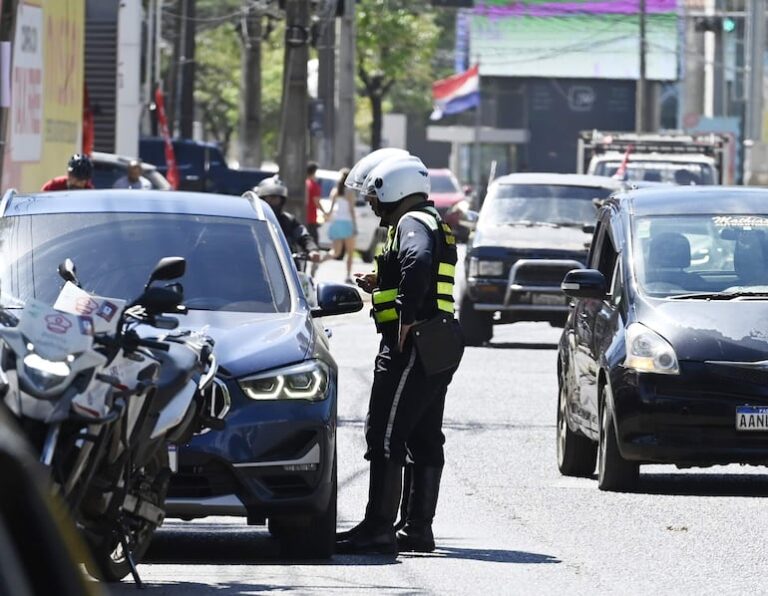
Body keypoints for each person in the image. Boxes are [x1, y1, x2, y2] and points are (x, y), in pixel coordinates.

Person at [336, 153, 464, 556]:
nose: (371, 203)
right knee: (423, 437)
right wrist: (382, 279)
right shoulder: (427, 221)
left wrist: (406, 319)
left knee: (386, 435)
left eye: (374, 195)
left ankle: (378, 528)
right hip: (438, 341)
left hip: (414, 343)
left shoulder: (412, 223)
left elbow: (420, 263)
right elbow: (417, 264)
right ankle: (415, 529)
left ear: (394, 189)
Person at [255, 175, 321, 266]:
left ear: (282, 200)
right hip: (257, 266)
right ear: (261, 199)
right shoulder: (253, 220)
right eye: (270, 198)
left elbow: (303, 235)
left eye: (276, 199)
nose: (273, 202)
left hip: (286, 268)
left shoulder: (288, 220)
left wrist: (312, 250)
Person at [325, 168, 358, 283]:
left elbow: (330, 210)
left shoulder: (335, 191)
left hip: (337, 222)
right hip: (347, 223)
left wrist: (327, 217)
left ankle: (318, 262)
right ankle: (348, 276)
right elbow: (351, 210)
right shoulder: (350, 192)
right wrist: (355, 225)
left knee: (336, 252)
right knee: (350, 252)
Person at [305, 162, 326, 275]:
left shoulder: (304, 184)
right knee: (314, 245)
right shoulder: (314, 185)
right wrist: (324, 212)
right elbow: (316, 202)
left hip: (303, 218)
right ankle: (313, 269)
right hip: (312, 219)